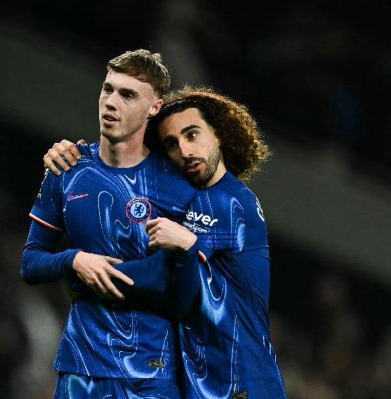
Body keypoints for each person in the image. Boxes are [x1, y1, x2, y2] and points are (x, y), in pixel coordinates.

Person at [43, 86, 287, 398]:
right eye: (172, 144)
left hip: (239, 384)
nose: (185, 151)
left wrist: (81, 273)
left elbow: (160, 274)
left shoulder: (225, 202)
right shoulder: (193, 201)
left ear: (219, 135)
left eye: (192, 134)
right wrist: (82, 158)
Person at [20, 49, 198, 398]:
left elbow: (172, 277)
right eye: (108, 89)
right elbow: (30, 262)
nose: (111, 102)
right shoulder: (66, 170)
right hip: (81, 367)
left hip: (151, 372)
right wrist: (73, 260)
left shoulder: (177, 184)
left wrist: (88, 278)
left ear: (154, 107)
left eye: (127, 94)